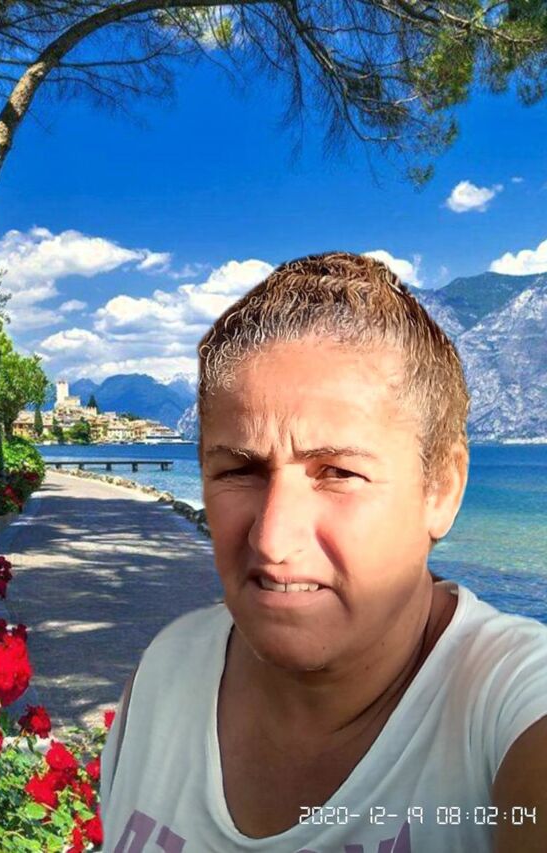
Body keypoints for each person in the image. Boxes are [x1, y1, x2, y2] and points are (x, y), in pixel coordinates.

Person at [100, 252, 547, 853]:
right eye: (239, 470)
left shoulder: (509, 702)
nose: (271, 539)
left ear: (441, 488)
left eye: (338, 472)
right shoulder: (168, 667)